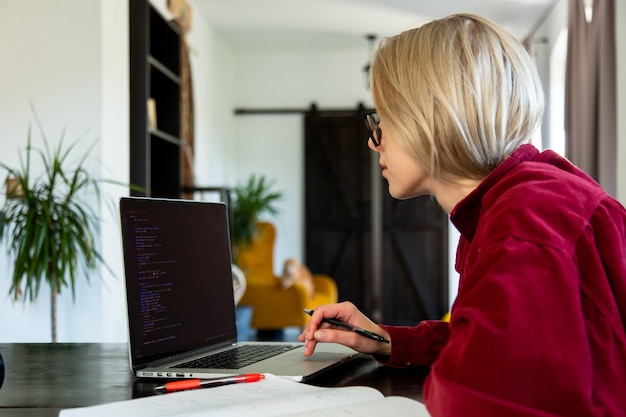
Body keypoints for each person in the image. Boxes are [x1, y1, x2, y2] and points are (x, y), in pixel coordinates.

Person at [299, 13, 626, 417]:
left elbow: (483, 398)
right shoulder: (515, 202)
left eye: (383, 120)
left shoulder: (525, 221)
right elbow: (498, 347)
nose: (373, 141)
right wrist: (385, 338)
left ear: (430, 118)